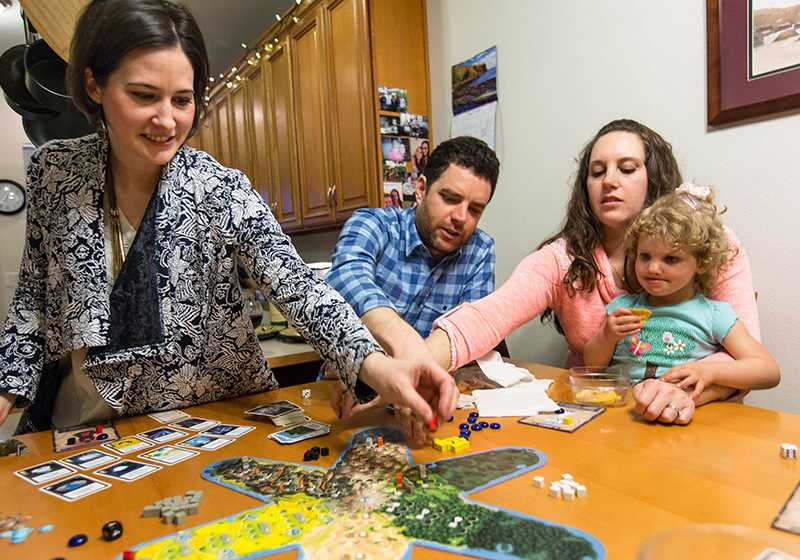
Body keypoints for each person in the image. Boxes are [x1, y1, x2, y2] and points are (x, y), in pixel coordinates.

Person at [0, 0, 455, 434]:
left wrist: (376, 366)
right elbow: (33, 300)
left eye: (182, 100)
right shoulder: (54, 173)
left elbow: (299, 288)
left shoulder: (220, 188)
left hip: (212, 415)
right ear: (95, 85)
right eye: (143, 95)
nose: (166, 121)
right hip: (94, 421)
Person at [428, 119, 760, 425]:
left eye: (627, 169)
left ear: (654, 177)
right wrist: (418, 362)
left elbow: (749, 359)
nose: (609, 181)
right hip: (599, 417)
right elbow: (489, 315)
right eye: (597, 172)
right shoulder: (562, 259)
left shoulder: (715, 245)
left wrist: (688, 390)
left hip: (706, 420)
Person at [326, 137, 498, 437]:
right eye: (450, 198)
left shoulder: (481, 249)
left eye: (475, 210)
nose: (461, 218)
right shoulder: (372, 224)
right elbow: (346, 278)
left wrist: (394, 384)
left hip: (425, 406)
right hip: (346, 402)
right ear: (420, 189)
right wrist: (391, 362)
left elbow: (473, 331)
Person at [583, 184, 779, 416]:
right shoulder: (623, 307)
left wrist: (710, 373)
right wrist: (607, 336)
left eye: (671, 259)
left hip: (682, 415)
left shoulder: (714, 314)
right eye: (645, 256)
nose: (653, 268)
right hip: (623, 414)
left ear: (702, 263)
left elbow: (768, 371)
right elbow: (592, 366)